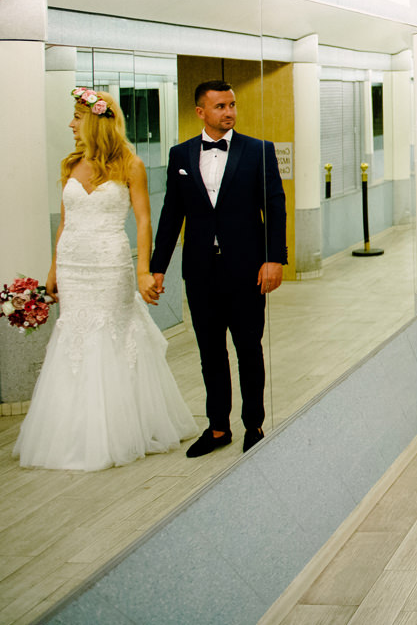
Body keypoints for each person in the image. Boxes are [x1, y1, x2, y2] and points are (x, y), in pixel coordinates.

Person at [13, 89, 197, 471]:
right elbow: (65, 223)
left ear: (95, 121)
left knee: (111, 334)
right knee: (74, 338)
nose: (71, 124)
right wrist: (53, 269)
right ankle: (74, 431)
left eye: (77, 117)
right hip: (72, 265)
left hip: (110, 263)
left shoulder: (131, 165)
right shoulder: (71, 164)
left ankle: (119, 429)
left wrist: (143, 270)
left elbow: (144, 221)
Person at [150, 80, 287, 457]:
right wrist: (157, 267)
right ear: (201, 112)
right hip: (200, 271)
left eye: (232, 105)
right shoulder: (180, 155)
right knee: (210, 352)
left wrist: (274, 258)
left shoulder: (258, 150)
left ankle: (254, 424)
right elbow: (171, 215)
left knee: (248, 349)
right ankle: (217, 427)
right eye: (220, 106)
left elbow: (275, 207)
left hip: (247, 269)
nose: (229, 112)